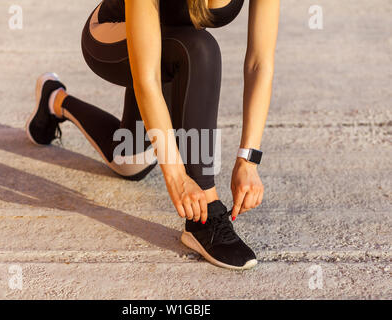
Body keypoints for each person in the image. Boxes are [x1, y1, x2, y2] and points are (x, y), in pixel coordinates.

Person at [26, 0, 280, 270]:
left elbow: (259, 63)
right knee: (201, 48)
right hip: (114, 37)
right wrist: (177, 177)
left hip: (170, 46)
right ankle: (205, 216)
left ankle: (55, 98)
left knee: (129, 161)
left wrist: (248, 160)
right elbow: (147, 79)